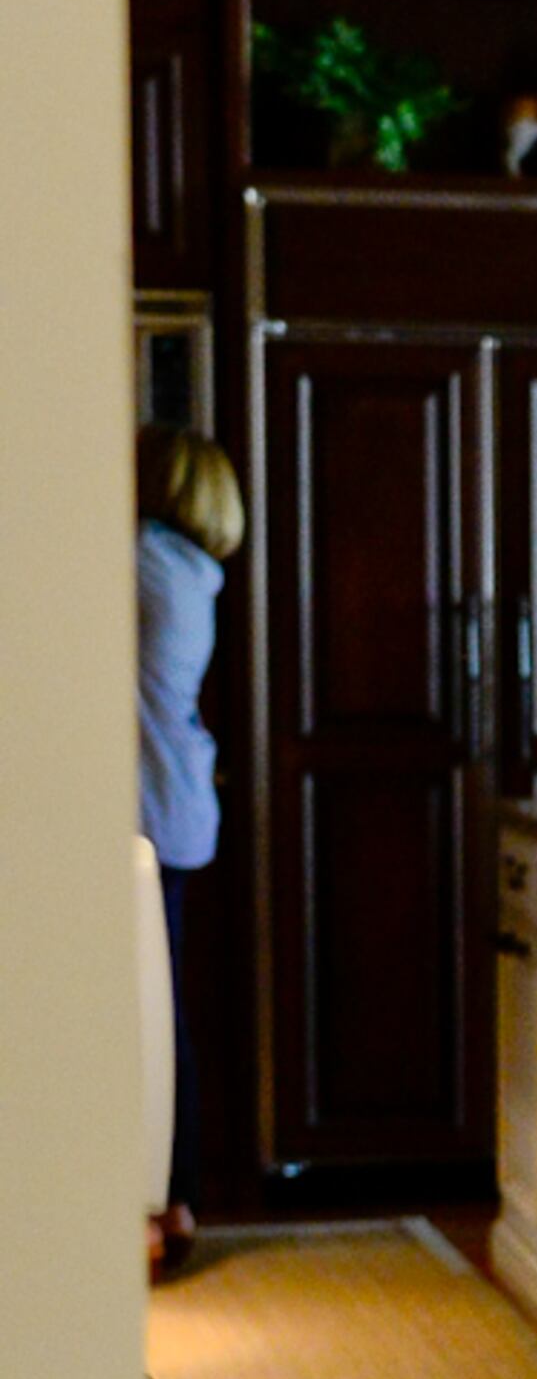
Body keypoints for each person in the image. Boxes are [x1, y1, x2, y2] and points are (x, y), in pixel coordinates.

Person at [136, 422, 243, 1270]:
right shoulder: (194, 572)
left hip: (154, 810)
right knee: (163, 1004)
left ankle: (168, 1197)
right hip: (177, 806)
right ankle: (178, 1199)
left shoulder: (147, 562)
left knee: (151, 1010)